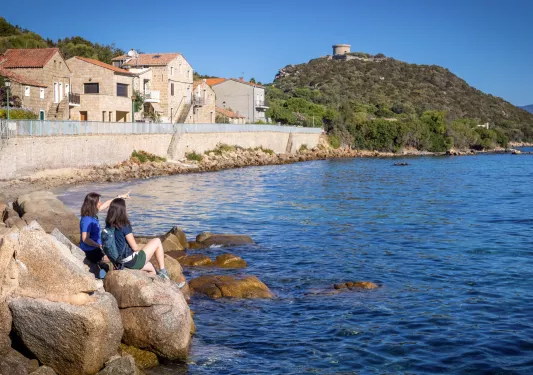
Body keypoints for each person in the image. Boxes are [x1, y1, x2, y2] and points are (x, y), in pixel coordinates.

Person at [105, 198, 177, 282]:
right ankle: (163, 272)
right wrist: (145, 247)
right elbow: (135, 248)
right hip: (130, 261)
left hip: (119, 261)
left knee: (151, 268)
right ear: (122, 210)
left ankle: (163, 283)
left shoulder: (109, 226)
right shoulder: (124, 225)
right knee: (157, 241)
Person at [80, 191, 130, 275]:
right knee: (116, 258)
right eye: (99, 201)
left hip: (96, 248)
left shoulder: (92, 214)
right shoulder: (87, 219)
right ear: (93, 204)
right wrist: (99, 245)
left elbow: (106, 204)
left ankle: (107, 273)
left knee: (114, 256)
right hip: (91, 251)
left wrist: (119, 197)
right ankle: (109, 276)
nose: (101, 203)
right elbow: (85, 239)